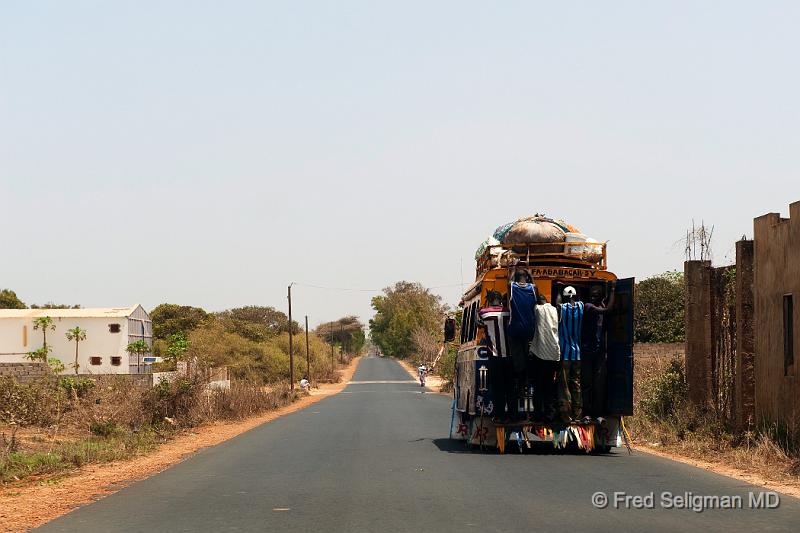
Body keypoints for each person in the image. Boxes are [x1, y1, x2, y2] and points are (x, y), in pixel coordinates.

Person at [581, 282, 616, 418]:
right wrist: (613, 290)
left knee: (598, 385)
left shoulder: (600, 306)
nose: (592, 297)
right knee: (587, 384)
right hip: (587, 352)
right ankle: (586, 413)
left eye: (596, 295)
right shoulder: (588, 306)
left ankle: (597, 413)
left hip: (599, 353)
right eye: (591, 295)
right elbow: (607, 310)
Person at [507, 270, 537, 418]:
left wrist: (513, 271)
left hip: (515, 329)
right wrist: (530, 274)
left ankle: (520, 384)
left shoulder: (512, 286)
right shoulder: (533, 288)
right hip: (530, 330)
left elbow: (509, 281)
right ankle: (527, 383)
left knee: (517, 360)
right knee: (529, 359)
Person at [529, 294, 560, 421]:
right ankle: (550, 414)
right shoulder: (554, 309)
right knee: (549, 385)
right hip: (554, 354)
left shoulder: (538, 309)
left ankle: (537, 414)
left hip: (540, 354)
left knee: (538, 386)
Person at [557, 286, 584, 422]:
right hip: (578, 354)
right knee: (576, 383)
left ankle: (566, 414)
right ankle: (577, 413)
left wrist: (557, 291)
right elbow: (578, 299)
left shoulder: (562, 308)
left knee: (564, 384)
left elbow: (557, 303)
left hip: (565, 354)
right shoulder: (581, 306)